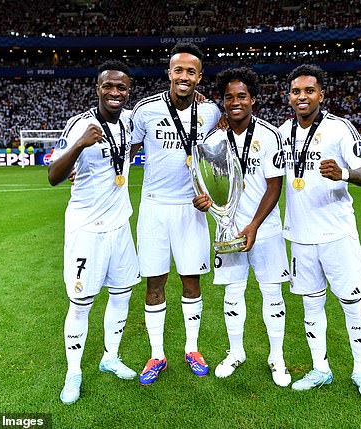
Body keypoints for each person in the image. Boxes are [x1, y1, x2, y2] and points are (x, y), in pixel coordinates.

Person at [279, 64, 361, 402]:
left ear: (321, 94)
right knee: (311, 307)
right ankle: (320, 369)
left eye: (309, 91)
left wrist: (345, 173)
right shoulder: (282, 132)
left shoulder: (340, 129)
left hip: (337, 236)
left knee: (352, 305)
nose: (302, 96)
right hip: (301, 238)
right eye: (296, 91)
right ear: (289, 97)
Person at [48, 60, 141, 404]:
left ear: (128, 91)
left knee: (121, 295)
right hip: (87, 230)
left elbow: (128, 148)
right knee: (81, 302)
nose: (115, 93)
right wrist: (79, 146)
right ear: (97, 88)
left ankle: (110, 357)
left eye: (121, 88)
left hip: (120, 227)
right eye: (108, 87)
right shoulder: (80, 125)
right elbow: (53, 176)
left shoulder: (131, 120)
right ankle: (74, 372)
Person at [129, 43, 221, 385]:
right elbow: (126, 149)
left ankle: (192, 348)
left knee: (191, 280)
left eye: (191, 71)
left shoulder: (210, 113)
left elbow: (218, 157)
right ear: (169, 73)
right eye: (178, 70)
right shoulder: (146, 110)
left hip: (190, 208)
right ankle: (157, 355)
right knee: (154, 282)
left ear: (199, 76)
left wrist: (209, 194)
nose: (184, 77)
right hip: (154, 206)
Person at [192, 67, 291, 386]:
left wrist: (255, 225)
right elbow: (208, 185)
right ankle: (236, 352)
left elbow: (275, 188)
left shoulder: (270, 135)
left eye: (242, 96)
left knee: (272, 295)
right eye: (229, 97)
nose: (235, 102)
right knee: (232, 295)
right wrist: (205, 202)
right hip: (228, 231)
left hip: (265, 231)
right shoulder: (213, 140)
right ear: (223, 101)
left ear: (253, 99)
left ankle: (277, 357)